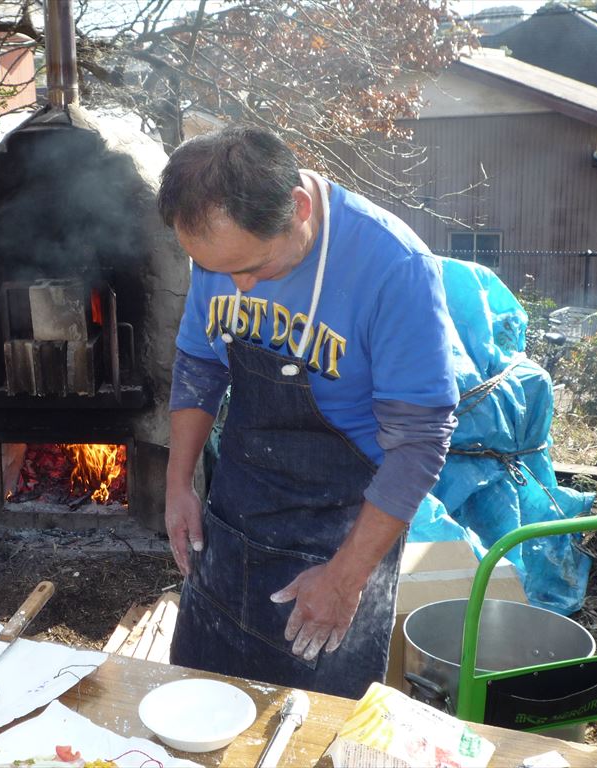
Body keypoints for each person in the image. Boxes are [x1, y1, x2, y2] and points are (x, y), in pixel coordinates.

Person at [158, 126, 458, 699]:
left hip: (345, 523)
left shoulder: (393, 268)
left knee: (312, 726)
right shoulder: (219, 251)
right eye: (216, 269)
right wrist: (179, 484)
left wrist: (347, 578)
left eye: (253, 267)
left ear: (297, 208)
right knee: (200, 695)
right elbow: (200, 363)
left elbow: (419, 443)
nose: (238, 286)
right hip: (239, 503)